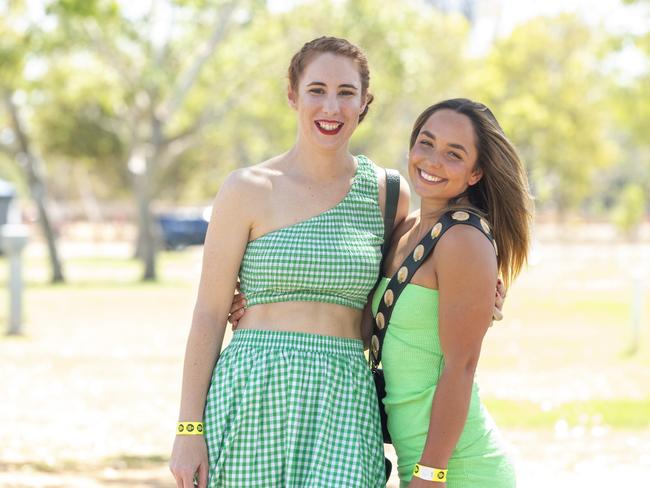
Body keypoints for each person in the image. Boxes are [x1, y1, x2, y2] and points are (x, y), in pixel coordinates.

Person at [169, 36, 411, 488]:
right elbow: (208, 314)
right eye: (317, 90)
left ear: (364, 103)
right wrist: (188, 429)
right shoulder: (246, 189)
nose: (331, 107)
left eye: (346, 93)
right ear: (292, 95)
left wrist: (480, 294)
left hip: (345, 396)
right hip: (252, 388)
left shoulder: (388, 193)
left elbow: (408, 287)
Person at [371, 98, 532, 487]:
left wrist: (430, 474)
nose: (432, 160)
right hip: (420, 463)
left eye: (453, 154)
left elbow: (461, 367)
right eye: (426, 143)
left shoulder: (463, 239)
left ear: (475, 173)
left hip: (460, 468)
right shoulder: (406, 229)